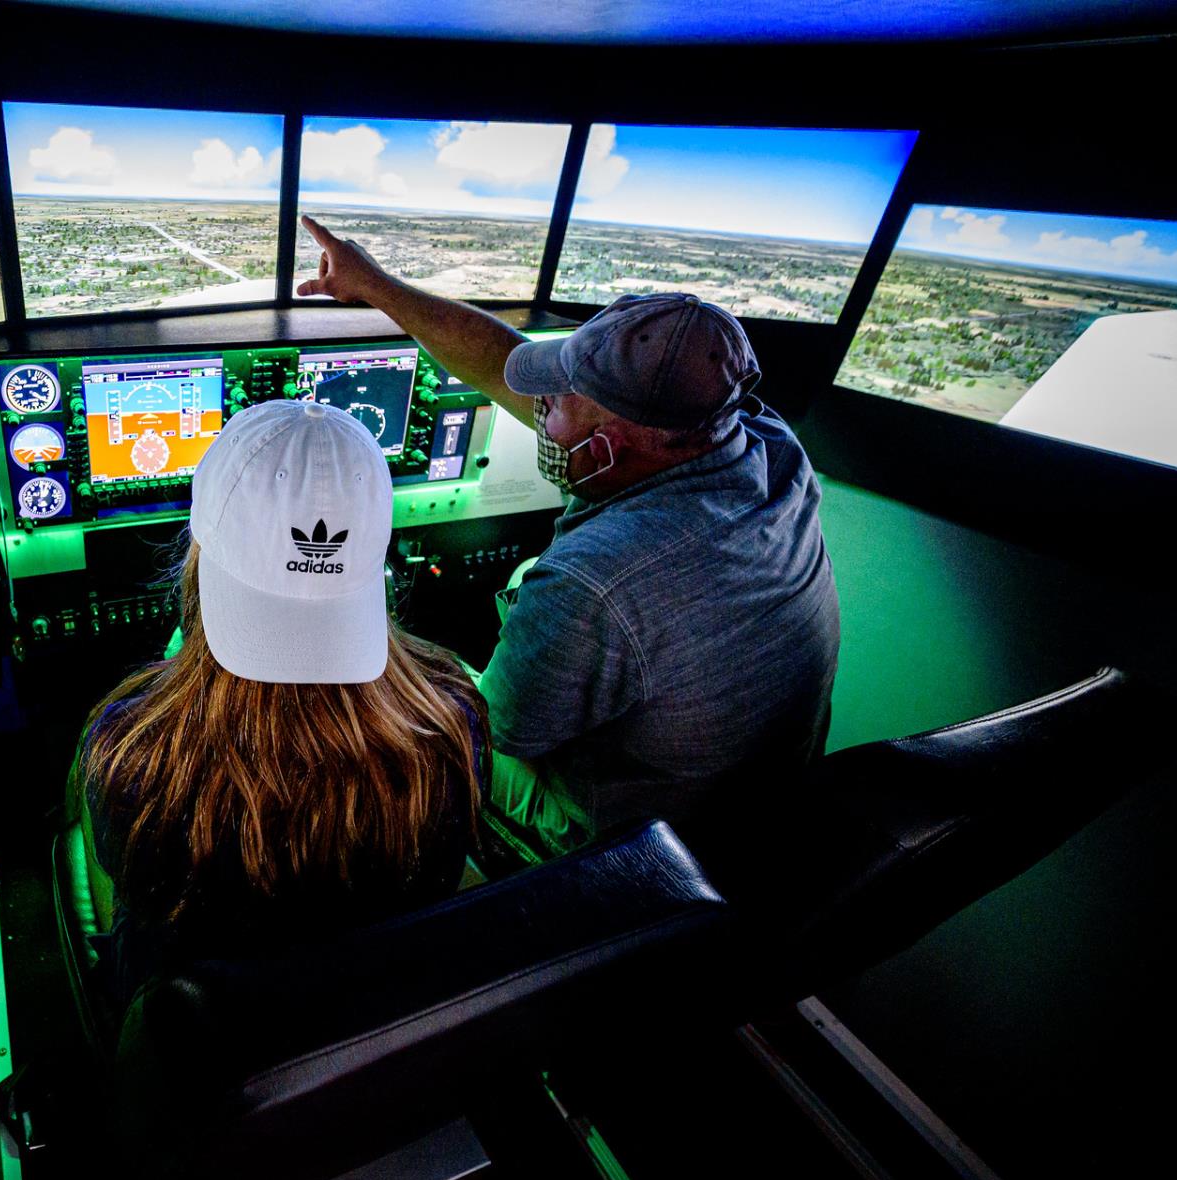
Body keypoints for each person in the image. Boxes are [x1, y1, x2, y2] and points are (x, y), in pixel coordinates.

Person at [298, 215, 841, 859]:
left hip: (649, 845)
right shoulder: (765, 441)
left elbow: (488, 731)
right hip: (756, 802)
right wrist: (378, 285)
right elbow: (507, 368)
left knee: (422, 707)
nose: (539, 409)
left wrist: (362, 633)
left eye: (553, 407)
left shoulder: (594, 583)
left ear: (607, 450)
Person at [71, 397, 487, 1006]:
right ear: (379, 567)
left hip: (208, 1040)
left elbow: (131, 880)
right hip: (381, 1013)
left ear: (197, 556)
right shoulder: (454, 715)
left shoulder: (130, 746)